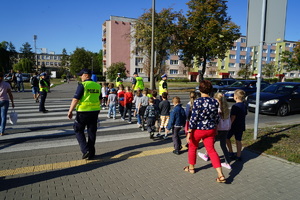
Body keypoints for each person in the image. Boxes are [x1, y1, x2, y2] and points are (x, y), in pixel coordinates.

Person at [185, 80, 226, 183]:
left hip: (198, 129)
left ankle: (191, 168)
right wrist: (215, 128)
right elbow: (217, 117)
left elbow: (193, 118)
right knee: (212, 150)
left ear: (200, 89)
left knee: (192, 147)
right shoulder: (215, 101)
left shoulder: (197, 101)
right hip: (210, 129)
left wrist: (189, 132)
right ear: (211, 90)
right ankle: (220, 174)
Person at [67, 68, 101, 160]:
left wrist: (70, 111)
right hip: (94, 112)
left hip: (83, 112)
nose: (80, 77)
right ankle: (91, 153)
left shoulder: (82, 85)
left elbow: (75, 99)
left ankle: (85, 150)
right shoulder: (97, 86)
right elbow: (100, 99)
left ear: (86, 75)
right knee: (91, 132)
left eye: (81, 75)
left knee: (78, 130)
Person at [226, 89, 247, 162]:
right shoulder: (244, 105)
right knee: (238, 140)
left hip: (233, 126)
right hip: (241, 125)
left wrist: (229, 125)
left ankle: (231, 152)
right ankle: (238, 155)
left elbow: (233, 117)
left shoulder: (235, 106)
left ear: (236, 97)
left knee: (227, 138)